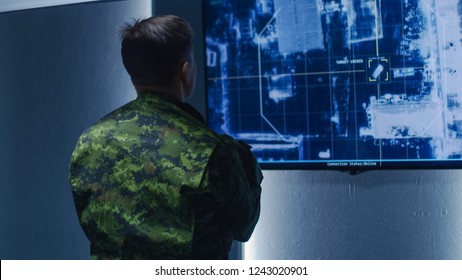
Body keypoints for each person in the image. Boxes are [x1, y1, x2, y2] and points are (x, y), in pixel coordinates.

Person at [69, 15, 262, 260]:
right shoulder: (214, 151)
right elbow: (244, 225)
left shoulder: (89, 141)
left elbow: (94, 226)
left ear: (132, 72)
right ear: (186, 71)